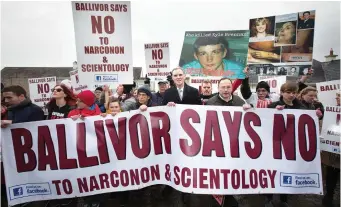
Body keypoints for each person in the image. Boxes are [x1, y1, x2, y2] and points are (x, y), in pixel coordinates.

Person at [265, 82, 306, 207]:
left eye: (294, 92)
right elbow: (264, 123)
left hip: (291, 146)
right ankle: (269, 198)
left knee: (287, 172)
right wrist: (273, 113)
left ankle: (284, 199)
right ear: (282, 93)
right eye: (288, 92)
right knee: (272, 172)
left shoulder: (301, 108)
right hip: (275, 145)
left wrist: (318, 116)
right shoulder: (272, 105)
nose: (291, 95)